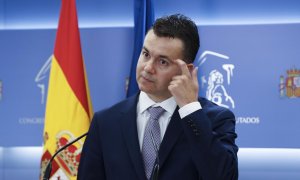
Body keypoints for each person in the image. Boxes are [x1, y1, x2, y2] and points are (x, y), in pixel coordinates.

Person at [78, 14, 238, 180]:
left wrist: (190, 109)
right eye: (146, 54)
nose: (147, 68)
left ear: (186, 70)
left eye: (162, 62)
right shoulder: (105, 122)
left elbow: (224, 177)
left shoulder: (214, 119)